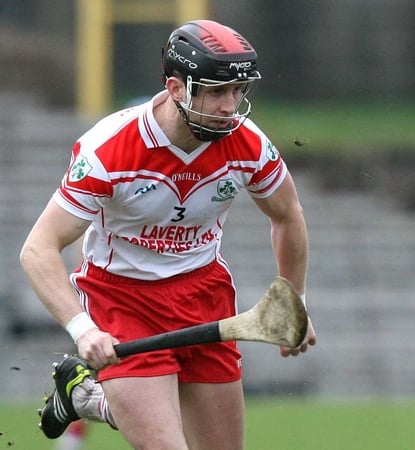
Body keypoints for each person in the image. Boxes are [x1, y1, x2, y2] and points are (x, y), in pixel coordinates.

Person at [19, 19, 316, 449]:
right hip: (122, 298)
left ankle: (89, 398)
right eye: (216, 92)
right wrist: (83, 330)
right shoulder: (109, 149)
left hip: (204, 296)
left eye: (237, 91)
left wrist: (295, 301)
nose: (230, 106)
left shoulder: (247, 144)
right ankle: (107, 398)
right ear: (177, 89)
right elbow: (38, 249)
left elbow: (287, 215)